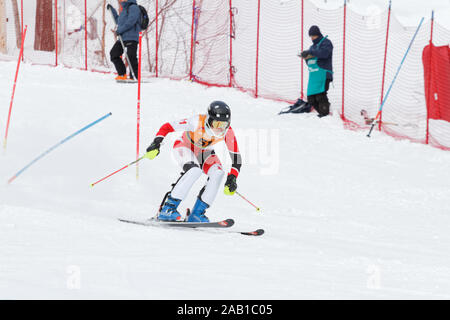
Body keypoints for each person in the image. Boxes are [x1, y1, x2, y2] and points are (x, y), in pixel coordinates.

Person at [144, 101, 242, 223]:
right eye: (216, 123)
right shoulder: (196, 122)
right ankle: (168, 209)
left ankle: (197, 213)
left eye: (223, 125)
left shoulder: (228, 132)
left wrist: (232, 177)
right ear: (208, 119)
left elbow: (236, 158)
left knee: (218, 173)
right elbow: (167, 126)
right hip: (184, 146)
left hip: (204, 152)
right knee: (194, 170)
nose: (219, 128)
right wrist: (156, 142)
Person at [293, 25, 333, 118]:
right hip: (314, 75)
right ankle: (323, 110)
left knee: (320, 95)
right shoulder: (312, 47)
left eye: (314, 36)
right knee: (311, 98)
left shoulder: (326, 43)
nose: (312, 38)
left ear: (318, 34)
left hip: (324, 73)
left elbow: (324, 54)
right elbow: (311, 62)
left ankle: (325, 113)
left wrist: (311, 52)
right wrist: (305, 57)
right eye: (311, 36)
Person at [107, 0, 141, 80]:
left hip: (131, 37)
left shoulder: (134, 7)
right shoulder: (124, 9)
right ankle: (122, 74)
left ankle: (135, 76)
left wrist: (120, 30)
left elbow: (131, 22)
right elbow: (119, 22)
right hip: (123, 37)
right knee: (114, 54)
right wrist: (112, 10)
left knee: (131, 56)